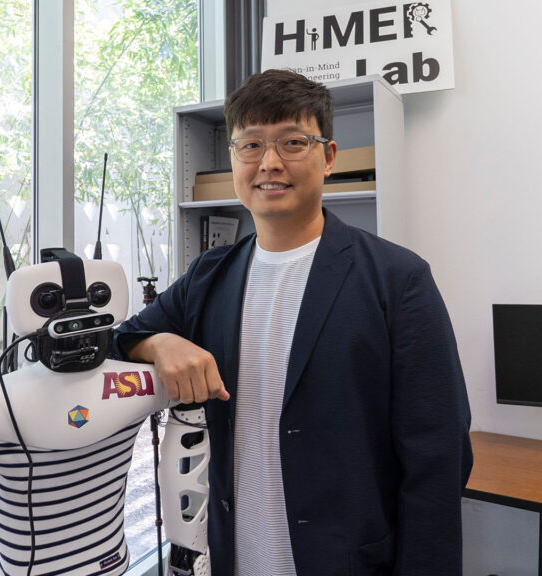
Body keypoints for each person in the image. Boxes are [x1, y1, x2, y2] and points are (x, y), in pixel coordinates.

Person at [113, 69, 472, 576]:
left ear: (328, 157)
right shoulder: (210, 276)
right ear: (235, 157)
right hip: (237, 555)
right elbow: (123, 337)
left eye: (293, 142)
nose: (270, 163)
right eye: (251, 145)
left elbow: (439, 459)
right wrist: (162, 343)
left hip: (350, 560)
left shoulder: (398, 279)